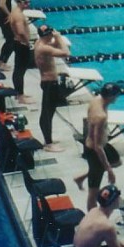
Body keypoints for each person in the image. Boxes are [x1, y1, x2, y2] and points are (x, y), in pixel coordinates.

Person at [76, 83, 122, 209]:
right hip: (94, 151)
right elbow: (97, 147)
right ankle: (92, 218)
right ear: (111, 96)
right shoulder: (100, 116)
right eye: (116, 96)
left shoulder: (96, 100)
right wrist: (109, 170)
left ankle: (81, 177)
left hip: (98, 144)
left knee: (117, 161)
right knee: (93, 193)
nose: (117, 98)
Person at [34, 24, 70, 153]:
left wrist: (55, 40)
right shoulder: (43, 48)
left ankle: (48, 140)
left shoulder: (40, 43)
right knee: (47, 113)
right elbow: (66, 53)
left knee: (49, 113)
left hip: (48, 82)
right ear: (48, 35)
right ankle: (48, 144)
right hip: (50, 84)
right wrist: (59, 37)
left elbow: (54, 46)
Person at [8, 0, 34, 103]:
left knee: (19, 70)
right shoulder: (18, 15)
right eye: (25, 2)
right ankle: (20, 96)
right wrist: (28, 43)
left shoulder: (15, 12)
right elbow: (20, 31)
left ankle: (19, 93)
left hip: (18, 43)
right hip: (21, 44)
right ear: (19, 2)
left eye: (29, 2)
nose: (27, 5)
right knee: (20, 70)